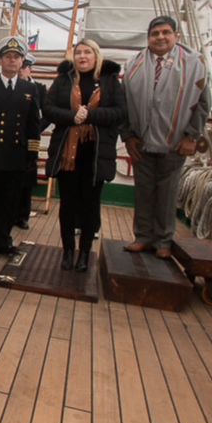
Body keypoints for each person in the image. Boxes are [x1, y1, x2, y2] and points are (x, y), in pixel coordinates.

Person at [120, 15, 211, 259]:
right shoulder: (134, 64)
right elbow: (124, 103)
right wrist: (127, 136)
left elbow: (203, 103)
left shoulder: (195, 63)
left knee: (167, 193)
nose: (160, 37)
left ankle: (163, 241)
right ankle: (143, 238)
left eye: (165, 32)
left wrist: (192, 136)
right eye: (155, 33)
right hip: (141, 141)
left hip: (175, 141)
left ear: (175, 35)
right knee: (144, 192)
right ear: (148, 37)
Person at [43, 38, 125, 272]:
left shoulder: (109, 82)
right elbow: (48, 108)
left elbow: (119, 112)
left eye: (87, 52)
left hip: (95, 155)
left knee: (90, 206)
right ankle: (68, 251)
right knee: (67, 204)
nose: (82, 56)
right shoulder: (63, 80)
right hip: (67, 154)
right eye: (78, 52)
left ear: (96, 56)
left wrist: (89, 115)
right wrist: (72, 117)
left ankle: (85, 253)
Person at [0, 36, 41, 258]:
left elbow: (33, 126)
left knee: (10, 202)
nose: (12, 61)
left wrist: (32, 155)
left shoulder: (29, 90)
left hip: (16, 155)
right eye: (8, 57)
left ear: (22, 62)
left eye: (17, 57)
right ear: (0, 60)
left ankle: (4, 240)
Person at [16, 52, 49, 228]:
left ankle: (22, 216)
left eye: (24, 67)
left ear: (30, 69)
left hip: (29, 140)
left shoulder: (39, 89)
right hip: (13, 140)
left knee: (27, 179)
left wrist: (36, 129)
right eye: (20, 67)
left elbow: (47, 114)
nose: (21, 71)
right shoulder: (12, 87)